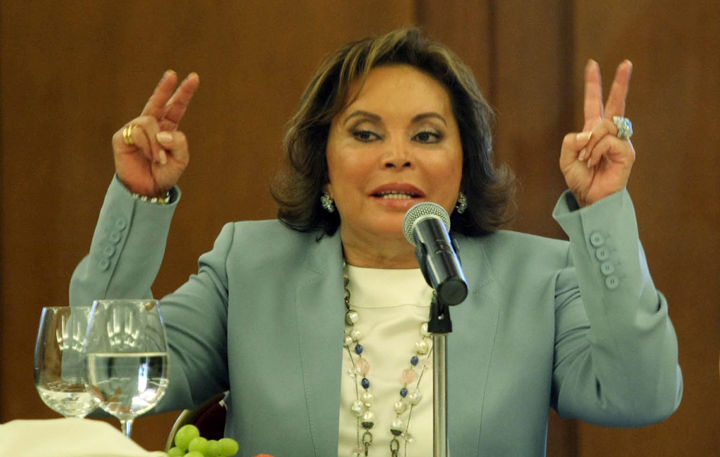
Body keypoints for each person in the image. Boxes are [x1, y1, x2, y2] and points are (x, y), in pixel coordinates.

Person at [70, 28, 682, 456]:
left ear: (464, 165)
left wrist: (602, 209)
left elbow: (640, 394)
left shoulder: (539, 277)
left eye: (427, 135)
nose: (396, 156)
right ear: (324, 165)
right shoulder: (249, 267)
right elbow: (100, 372)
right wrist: (138, 199)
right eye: (365, 134)